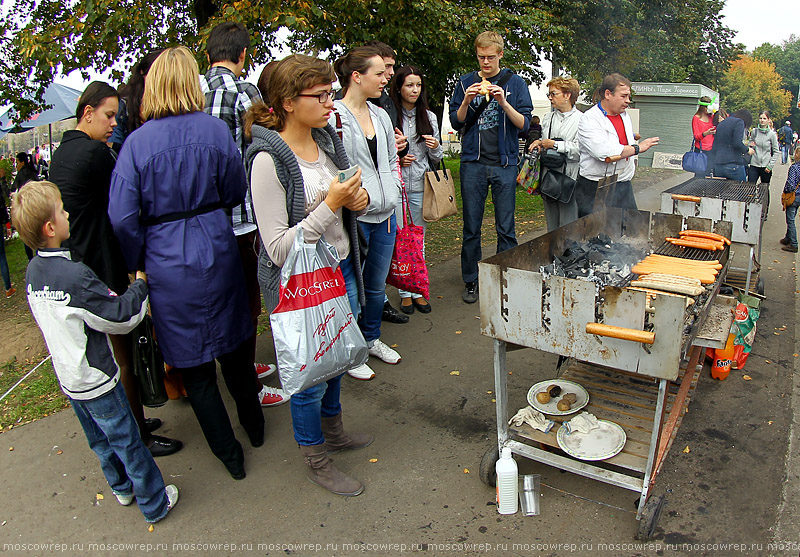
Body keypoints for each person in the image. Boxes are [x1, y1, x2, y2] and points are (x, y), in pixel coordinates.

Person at [108, 46, 264, 480]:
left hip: (166, 259)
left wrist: (140, 258)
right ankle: (254, 428)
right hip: (216, 245)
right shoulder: (214, 131)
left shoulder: (137, 144)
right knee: (235, 349)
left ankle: (230, 456)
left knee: (195, 369)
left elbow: (121, 217)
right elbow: (235, 187)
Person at [10, 181, 179, 522]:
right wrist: (140, 285)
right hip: (97, 379)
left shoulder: (33, 272)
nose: (67, 213)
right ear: (51, 227)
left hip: (69, 380)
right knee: (128, 441)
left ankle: (120, 488)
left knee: (100, 441)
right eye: (61, 209)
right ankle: (154, 503)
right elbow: (121, 317)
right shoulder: (75, 276)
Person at [245, 53, 372, 496]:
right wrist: (331, 204)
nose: (330, 102)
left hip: (338, 270)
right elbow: (278, 247)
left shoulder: (326, 143)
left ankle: (334, 432)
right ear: (285, 102)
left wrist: (355, 202)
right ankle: (316, 458)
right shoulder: (267, 160)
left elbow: (345, 206)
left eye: (330, 92)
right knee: (307, 376)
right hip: (298, 284)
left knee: (335, 358)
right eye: (319, 95)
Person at [48, 82, 182, 458]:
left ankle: (134, 422)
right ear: (86, 112)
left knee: (111, 355)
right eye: (108, 115)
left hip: (79, 263)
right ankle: (139, 435)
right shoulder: (94, 154)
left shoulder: (64, 152)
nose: (113, 124)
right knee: (123, 358)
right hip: (99, 268)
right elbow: (129, 199)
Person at [200, 22, 288, 407]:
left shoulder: (194, 93)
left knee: (223, 295)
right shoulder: (245, 92)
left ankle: (237, 367)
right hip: (245, 214)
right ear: (242, 56)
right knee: (251, 299)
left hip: (207, 218)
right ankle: (247, 375)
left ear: (207, 56)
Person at [330, 46, 403, 381]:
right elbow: (332, 168)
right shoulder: (333, 116)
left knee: (375, 287)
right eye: (378, 73)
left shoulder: (381, 115)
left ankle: (371, 338)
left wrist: (394, 194)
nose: (385, 79)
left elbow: (390, 162)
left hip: (386, 215)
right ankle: (351, 350)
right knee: (349, 288)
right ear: (356, 77)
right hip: (353, 219)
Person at [449, 31, 533, 304]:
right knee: (471, 226)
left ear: (500, 55)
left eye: (490, 57)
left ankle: (505, 276)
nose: (485, 62)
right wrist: (465, 100)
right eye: (481, 57)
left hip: (504, 164)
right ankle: (471, 280)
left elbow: (525, 125)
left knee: (505, 227)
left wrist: (503, 102)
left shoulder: (516, 83)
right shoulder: (465, 82)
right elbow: (456, 122)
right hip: (473, 163)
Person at [363, 40, 411, 326]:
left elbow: (391, 152)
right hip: (363, 205)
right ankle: (362, 322)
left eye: (391, 68)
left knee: (377, 270)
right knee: (361, 270)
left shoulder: (385, 107)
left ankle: (375, 319)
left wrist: (400, 148)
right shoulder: (342, 114)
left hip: (386, 199)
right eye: (386, 68)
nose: (390, 74)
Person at [389, 65, 443, 314]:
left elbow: (438, 155)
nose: (414, 90)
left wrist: (433, 146)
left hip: (421, 187)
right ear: (399, 87)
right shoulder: (387, 115)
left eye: (418, 85)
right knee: (401, 242)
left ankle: (418, 290)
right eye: (409, 85)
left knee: (418, 241)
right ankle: (405, 293)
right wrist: (398, 160)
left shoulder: (429, 117)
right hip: (396, 188)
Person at [576, 73, 660, 217]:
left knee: (631, 228)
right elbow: (603, 152)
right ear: (608, 94)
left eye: (628, 96)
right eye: (623, 96)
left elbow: (620, 139)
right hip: (595, 186)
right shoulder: (589, 119)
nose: (628, 101)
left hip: (622, 183)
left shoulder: (624, 116)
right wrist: (637, 148)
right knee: (595, 234)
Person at [529, 76, 582, 231]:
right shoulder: (548, 118)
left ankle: (569, 254)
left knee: (568, 225)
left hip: (569, 179)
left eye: (554, 94)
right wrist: (539, 144)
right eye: (549, 94)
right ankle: (552, 254)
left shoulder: (581, 120)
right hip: (549, 178)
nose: (550, 98)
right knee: (551, 227)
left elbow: (581, 151)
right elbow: (545, 142)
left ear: (567, 95)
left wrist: (556, 145)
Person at [109, 49, 165, 151]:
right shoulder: (123, 106)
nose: (158, 80)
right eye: (155, 74)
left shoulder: (172, 108)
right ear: (142, 72)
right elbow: (114, 146)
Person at [711, 108, 753, 181]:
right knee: (741, 189)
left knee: (722, 190)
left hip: (718, 164)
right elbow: (737, 143)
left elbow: (715, 146)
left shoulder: (722, 123)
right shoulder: (739, 122)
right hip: (733, 164)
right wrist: (748, 150)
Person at [747, 111, 779, 206]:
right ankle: (750, 207)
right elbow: (751, 143)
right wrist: (750, 146)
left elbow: (776, 151)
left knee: (764, 189)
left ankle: (764, 210)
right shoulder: (755, 131)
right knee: (750, 187)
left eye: (764, 118)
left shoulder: (771, 135)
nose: (762, 120)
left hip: (766, 166)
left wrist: (770, 166)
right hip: (754, 164)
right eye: (760, 118)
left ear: (768, 120)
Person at [691, 96, 716, 178]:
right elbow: (696, 137)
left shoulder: (711, 117)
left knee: (709, 173)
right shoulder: (696, 118)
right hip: (701, 150)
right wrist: (705, 133)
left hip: (711, 149)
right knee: (700, 174)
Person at [781, 147, 800, 253]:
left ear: (797, 155)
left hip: (793, 196)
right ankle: (787, 238)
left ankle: (794, 243)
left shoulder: (794, 167)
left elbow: (791, 183)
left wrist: (786, 191)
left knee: (790, 220)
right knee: (793, 216)